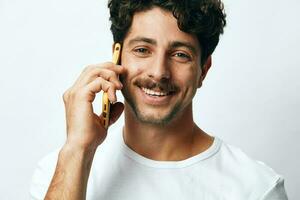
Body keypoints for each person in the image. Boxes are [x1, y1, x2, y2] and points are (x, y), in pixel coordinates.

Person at [30, 0, 288, 199]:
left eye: (180, 54)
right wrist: (77, 150)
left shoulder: (256, 188)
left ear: (203, 70)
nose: (159, 72)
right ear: (118, 57)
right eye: (142, 50)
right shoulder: (62, 170)